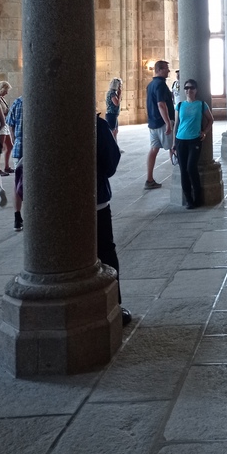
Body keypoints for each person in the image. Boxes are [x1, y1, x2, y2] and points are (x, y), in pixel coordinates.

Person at [96, 113, 131, 326]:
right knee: (106, 252)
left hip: (56, 207)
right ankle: (113, 305)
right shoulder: (97, 125)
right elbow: (110, 162)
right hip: (95, 201)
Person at [172, 78, 213, 209]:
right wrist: (173, 144)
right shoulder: (180, 105)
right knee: (183, 170)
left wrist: (204, 132)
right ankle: (189, 200)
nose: (189, 90)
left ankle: (198, 197)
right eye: (186, 88)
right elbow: (176, 125)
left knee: (191, 167)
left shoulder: (201, 104)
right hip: (180, 140)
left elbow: (210, 120)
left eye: (191, 88)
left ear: (196, 90)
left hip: (194, 140)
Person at [145, 59, 174, 190]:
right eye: (166, 69)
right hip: (162, 123)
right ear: (160, 70)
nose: (168, 71)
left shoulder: (150, 85)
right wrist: (167, 122)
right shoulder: (160, 85)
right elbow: (161, 104)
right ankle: (180, 177)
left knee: (154, 149)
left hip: (153, 123)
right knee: (173, 147)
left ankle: (149, 179)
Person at [6, 94, 24, 231]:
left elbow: (10, 125)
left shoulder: (18, 102)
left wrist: (14, 141)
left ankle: (17, 217)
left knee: (17, 182)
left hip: (19, 147)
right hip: (41, 149)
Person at [0, 81, 13, 175]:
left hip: (4, 124)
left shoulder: (1, 99)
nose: (7, 92)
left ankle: (7, 167)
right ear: (1, 89)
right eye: (6, 90)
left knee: (9, 146)